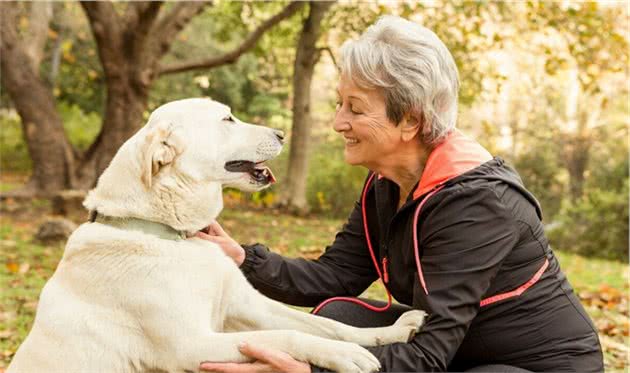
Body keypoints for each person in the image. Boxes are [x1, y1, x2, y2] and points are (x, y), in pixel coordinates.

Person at [196, 15, 603, 373]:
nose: (339, 122)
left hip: (531, 366)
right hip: (456, 354)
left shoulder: (479, 205)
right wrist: (242, 258)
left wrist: (310, 371)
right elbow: (335, 276)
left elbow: (426, 357)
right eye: (340, 103)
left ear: (410, 120)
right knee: (339, 316)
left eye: (354, 108)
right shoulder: (388, 182)